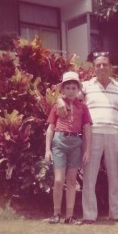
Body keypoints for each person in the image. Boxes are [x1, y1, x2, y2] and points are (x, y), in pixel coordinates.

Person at [58, 52, 118, 224]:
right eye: (98, 65)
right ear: (93, 68)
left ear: (110, 67)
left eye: (105, 64)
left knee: (114, 176)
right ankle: (89, 215)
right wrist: (59, 101)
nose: (101, 67)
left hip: (114, 134)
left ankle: (116, 214)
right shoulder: (86, 86)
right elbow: (69, 96)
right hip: (92, 134)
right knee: (89, 177)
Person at [45, 71, 92, 224]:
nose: (71, 91)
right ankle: (56, 213)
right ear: (63, 90)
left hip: (75, 144)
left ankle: (69, 216)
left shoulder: (83, 107)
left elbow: (87, 130)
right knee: (59, 180)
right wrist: (47, 150)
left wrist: (87, 150)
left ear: (78, 90)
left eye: (74, 88)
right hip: (60, 141)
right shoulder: (57, 106)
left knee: (72, 181)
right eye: (68, 88)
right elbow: (50, 129)